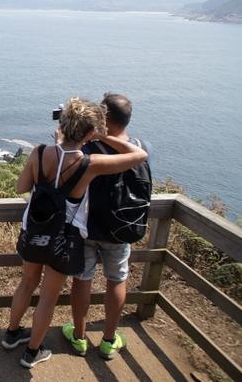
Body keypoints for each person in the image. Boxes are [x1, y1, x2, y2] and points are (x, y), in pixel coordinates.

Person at [2, 97, 147, 369]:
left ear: (63, 124)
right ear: (89, 132)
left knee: (26, 283)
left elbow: (22, 187)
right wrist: (103, 136)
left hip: (34, 231)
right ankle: (33, 352)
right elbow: (140, 156)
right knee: (48, 297)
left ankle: (11, 335)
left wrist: (57, 146)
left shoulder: (40, 151)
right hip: (63, 240)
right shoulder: (90, 164)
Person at [62, 93, 148, 360]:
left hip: (87, 227)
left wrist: (92, 135)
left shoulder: (88, 148)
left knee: (83, 279)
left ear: (104, 117)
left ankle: (79, 337)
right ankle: (110, 339)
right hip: (121, 229)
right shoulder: (140, 146)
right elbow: (141, 157)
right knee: (117, 279)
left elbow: (66, 157)